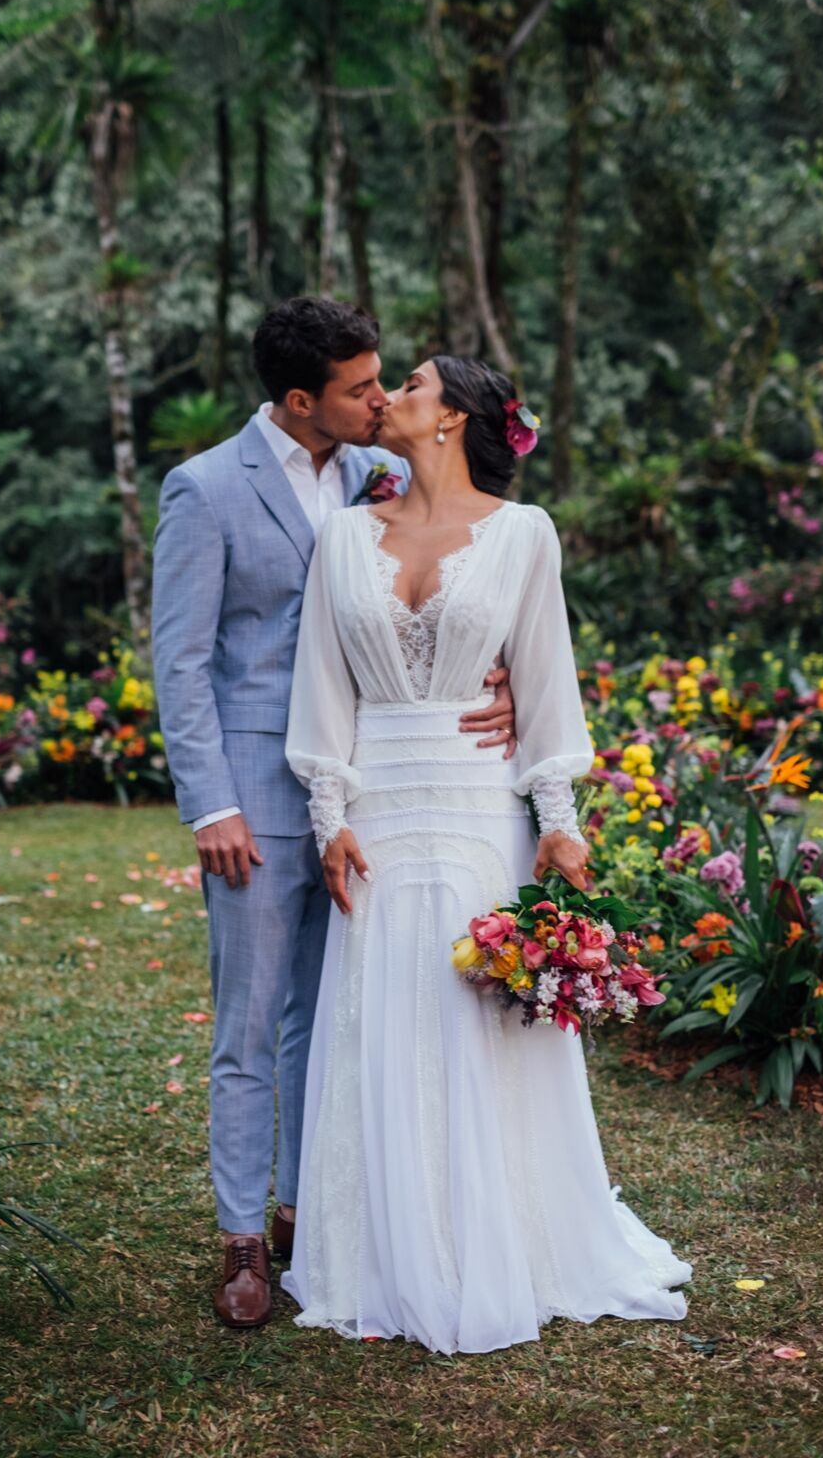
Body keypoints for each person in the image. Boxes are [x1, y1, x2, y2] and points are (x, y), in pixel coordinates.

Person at [282, 354, 692, 1354]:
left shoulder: (523, 536)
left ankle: (506, 1239)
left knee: (481, 1016)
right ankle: (380, 1248)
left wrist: (558, 815)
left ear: (453, 418)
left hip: (477, 803)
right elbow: (321, 680)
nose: (390, 398)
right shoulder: (341, 535)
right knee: (378, 1015)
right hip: (375, 798)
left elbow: (546, 679)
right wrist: (325, 813)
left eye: (410, 385)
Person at [151, 300, 516, 1329]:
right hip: (257, 804)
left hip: (374, 793)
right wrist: (210, 803)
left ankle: (308, 1216)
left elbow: (445, 593)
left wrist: (505, 683)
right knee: (250, 1022)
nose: (379, 396)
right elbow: (179, 661)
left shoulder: (374, 476)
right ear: (300, 398)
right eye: (361, 387)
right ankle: (238, 1244)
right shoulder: (207, 489)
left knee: (334, 1017)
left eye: (380, 381)